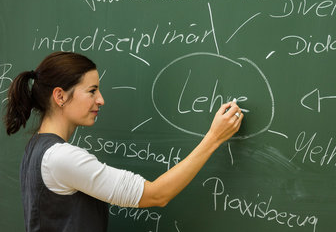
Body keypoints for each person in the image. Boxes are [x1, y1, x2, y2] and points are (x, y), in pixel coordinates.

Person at [4, 51, 243, 232]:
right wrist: (213, 138)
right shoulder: (61, 158)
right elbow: (156, 195)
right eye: (92, 91)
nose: (101, 100)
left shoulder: (37, 148)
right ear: (60, 96)